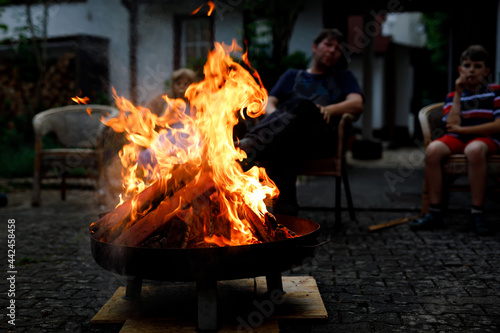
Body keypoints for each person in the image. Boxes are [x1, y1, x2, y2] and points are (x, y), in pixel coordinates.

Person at [237, 28, 364, 216]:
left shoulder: (343, 77)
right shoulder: (292, 76)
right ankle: (286, 215)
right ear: (314, 47)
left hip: (320, 139)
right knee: (283, 144)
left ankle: (253, 144)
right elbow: (269, 102)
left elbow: (357, 103)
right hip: (287, 139)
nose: (332, 51)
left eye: (337, 49)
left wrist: (329, 109)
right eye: (328, 45)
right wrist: (279, 120)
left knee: (303, 104)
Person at [409, 45, 500, 235]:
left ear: (486, 71)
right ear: (460, 70)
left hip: (486, 139)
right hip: (457, 138)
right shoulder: (453, 95)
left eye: (477, 66)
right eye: (467, 65)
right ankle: (435, 212)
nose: (471, 70)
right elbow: (451, 124)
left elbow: (497, 125)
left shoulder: (495, 92)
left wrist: (464, 129)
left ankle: (477, 213)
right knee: (433, 150)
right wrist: (458, 94)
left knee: (474, 150)